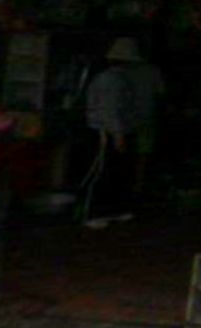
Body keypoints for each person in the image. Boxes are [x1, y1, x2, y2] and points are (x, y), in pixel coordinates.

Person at [85, 37, 164, 228]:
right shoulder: (113, 81)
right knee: (103, 172)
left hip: (111, 131)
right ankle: (95, 213)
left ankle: (112, 210)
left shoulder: (111, 78)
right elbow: (111, 110)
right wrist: (118, 134)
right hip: (107, 133)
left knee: (114, 172)